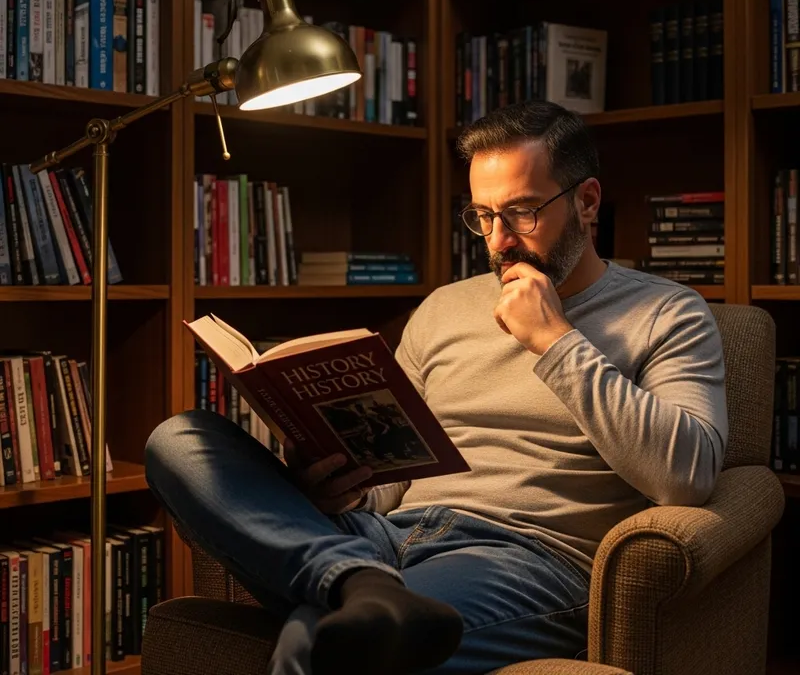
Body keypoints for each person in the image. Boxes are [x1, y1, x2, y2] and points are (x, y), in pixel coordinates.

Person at [144, 99, 728, 675]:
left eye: (522, 213)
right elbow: (394, 477)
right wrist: (343, 488)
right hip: (381, 535)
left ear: (587, 201)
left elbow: (688, 475)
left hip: (527, 558)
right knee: (180, 441)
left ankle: (354, 592)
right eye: (483, 215)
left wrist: (556, 342)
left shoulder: (667, 313)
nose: (499, 241)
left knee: (321, 641)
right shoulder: (444, 308)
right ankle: (358, 582)